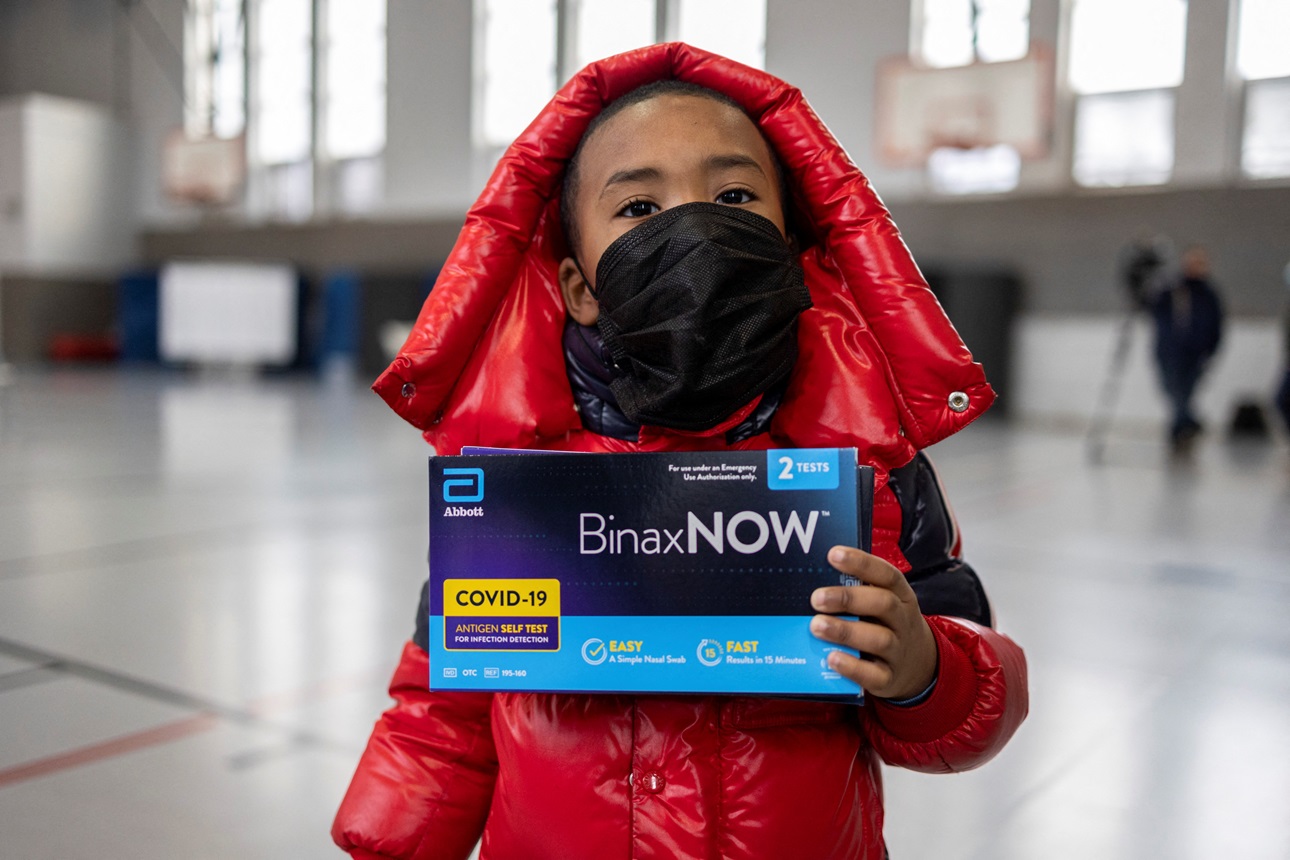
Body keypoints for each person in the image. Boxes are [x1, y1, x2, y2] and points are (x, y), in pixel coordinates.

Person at [332, 44, 1028, 860]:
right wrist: (395, 835)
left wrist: (926, 671)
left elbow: (964, 699)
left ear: (792, 248)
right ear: (580, 286)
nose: (693, 230)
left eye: (734, 196)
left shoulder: (873, 469)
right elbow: (447, 701)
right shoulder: (517, 482)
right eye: (637, 209)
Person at [1150, 244, 1225, 451]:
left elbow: (1217, 324)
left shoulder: (1209, 294)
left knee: (1186, 393)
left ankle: (1180, 429)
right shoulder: (1171, 289)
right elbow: (1153, 309)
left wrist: (1211, 348)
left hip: (1196, 353)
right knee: (1173, 390)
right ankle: (1187, 423)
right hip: (1170, 351)